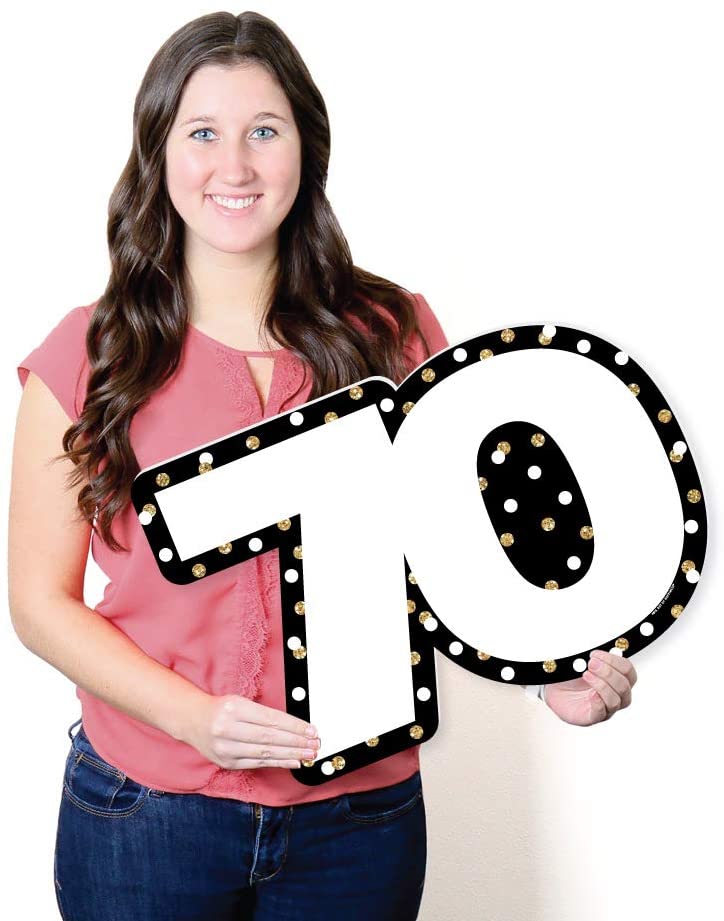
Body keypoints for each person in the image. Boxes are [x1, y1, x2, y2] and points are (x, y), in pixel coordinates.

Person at [8, 10, 637, 921]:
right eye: (202, 133)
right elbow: (38, 601)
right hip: (145, 812)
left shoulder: (394, 331)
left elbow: (458, 546)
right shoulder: (88, 354)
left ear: (307, 146)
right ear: (157, 153)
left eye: (264, 131)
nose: (235, 166)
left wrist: (546, 665)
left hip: (358, 821)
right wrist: (192, 718)